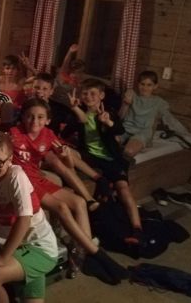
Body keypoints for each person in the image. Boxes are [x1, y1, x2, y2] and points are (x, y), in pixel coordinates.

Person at [10, 98, 128, 285]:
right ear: (22, 117)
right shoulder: (14, 134)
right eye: (30, 116)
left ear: (48, 120)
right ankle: (97, 255)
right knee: (62, 208)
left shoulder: (48, 134)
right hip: (23, 182)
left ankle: (82, 256)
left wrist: (66, 156)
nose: (34, 121)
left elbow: (67, 165)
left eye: (40, 117)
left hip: (38, 178)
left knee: (79, 202)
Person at [0, 132, 57, 303]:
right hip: (17, 247)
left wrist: (3, 258)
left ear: (10, 159)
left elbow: (24, 219)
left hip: (39, 247)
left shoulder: (16, 176)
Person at [69, 78, 144, 245]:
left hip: (111, 159)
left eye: (93, 94)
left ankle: (137, 229)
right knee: (68, 152)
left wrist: (107, 122)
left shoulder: (107, 113)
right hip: (91, 158)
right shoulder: (80, 112)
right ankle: (102, 185)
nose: (88, 97)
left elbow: (119, 129)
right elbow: (72, 126)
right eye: (85, 94)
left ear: (101, 96)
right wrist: (74, 109)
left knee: (123, 189)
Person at [31, 74, 105, 210]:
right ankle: (88, 195)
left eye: (44, 88)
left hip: (54, 143)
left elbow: (83, 120)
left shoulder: (57, 108)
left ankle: (95, 184)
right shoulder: (27, 106)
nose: (40, 91)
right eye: (36, 87)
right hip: (39, 146)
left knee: (66, 152)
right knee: (58, 159)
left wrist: (75, 108)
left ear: (51, 91)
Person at [119, 70, 183, 158]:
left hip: (142, 132)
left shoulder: (158, 102)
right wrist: (125, 104)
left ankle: (128, 146)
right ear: (138, 84)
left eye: (149, 85)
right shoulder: (132, 95)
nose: (145, 87)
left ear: (155, 86)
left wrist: (184, 135)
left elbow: (169, 120)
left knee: (129, 151)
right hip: (126, 128)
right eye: (142, 84)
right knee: (108, 143)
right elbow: (121, 116)